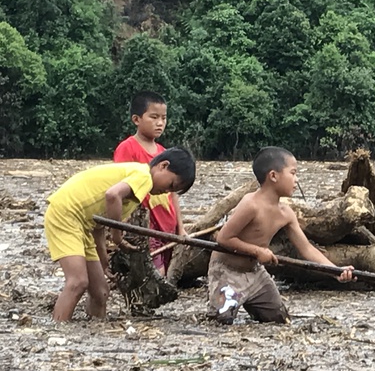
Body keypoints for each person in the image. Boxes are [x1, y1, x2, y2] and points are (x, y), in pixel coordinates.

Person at [44, 148, 196, 322]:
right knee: (77, 282)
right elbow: (112, 195)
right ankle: (57, 331)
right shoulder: (143, 176)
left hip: (84, 224)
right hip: (67, 213)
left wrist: (103, 258)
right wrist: (117, 236)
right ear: (163, 166)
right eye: (170, 185)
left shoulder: (136, 183)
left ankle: (93, 329)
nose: (166, 192)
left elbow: (99, 224)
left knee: (101, 292)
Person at [207, 146, 354, 325]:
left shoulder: (286, 213)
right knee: (221, 320)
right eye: (293, 173)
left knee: (279, 319)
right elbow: (224, 238)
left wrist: (335, 271)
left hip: (255, 273)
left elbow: (306, 248)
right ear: (273, 176)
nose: (296, 180)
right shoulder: (250, 204)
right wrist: (256, 251)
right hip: (227, 272)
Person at [114, 91, 186, 275]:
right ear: (136, 119)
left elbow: (173, 194)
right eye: (154, 117)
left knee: (168, 272)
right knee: (157, 273)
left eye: (164, 118)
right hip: (145, 226)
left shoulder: (164, 153)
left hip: (167, 226)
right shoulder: (127, 148)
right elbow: (120, 187)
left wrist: (181, 227)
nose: (160, 123)